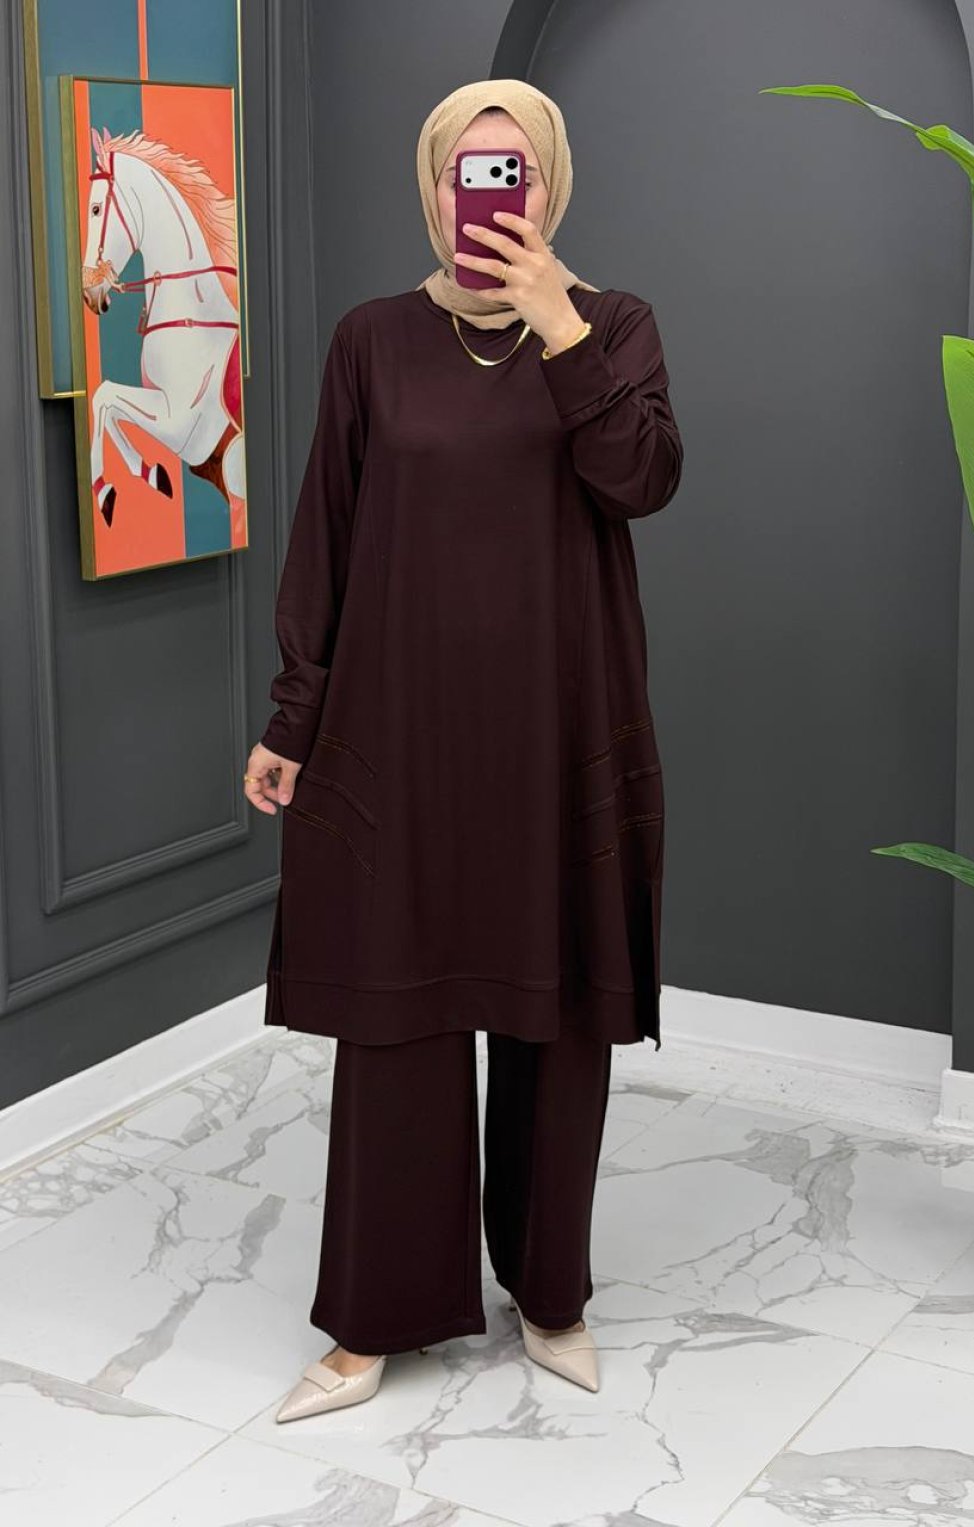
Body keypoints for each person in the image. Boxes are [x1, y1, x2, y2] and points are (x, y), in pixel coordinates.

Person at [242, 78, 683, 1419]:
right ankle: (373, 1319)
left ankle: (550, 1294)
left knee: (558, 1008)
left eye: (512, 172)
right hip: (400, 732)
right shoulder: (373, 339)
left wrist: (560, 328)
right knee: (396, 1015)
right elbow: (326, 530)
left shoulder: (613, 324)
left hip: (558, 725)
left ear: (550, 185)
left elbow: (642, 479)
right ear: (433, 188)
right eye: (463, 172)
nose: (486, 197)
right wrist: (294, 716)